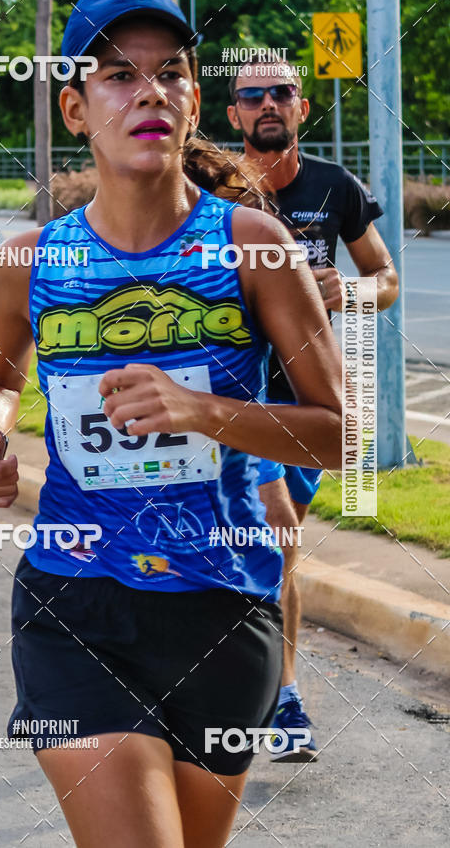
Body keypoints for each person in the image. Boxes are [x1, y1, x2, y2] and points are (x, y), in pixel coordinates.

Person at [0, 0, 343, 848]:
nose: (150, 92)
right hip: (74, 603)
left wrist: (205, 412)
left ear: (195, 102)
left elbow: (334, 429)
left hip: (223, 605)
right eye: (118, 76)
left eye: (171, 73)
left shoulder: (253, 244)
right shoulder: (31, 259)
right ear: (74, 106)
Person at [227, 59, 399, 761]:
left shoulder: (334, 187)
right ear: (233, 113)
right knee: (275, 533)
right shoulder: (213, 188)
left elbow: (384, 277)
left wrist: (345, 295)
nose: (268, 103)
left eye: (282, 93)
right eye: (252, 95)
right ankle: (281, 696)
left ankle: (264, 681)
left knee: (280, 546)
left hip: (311, 396)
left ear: (302, 107)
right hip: (235, 388)